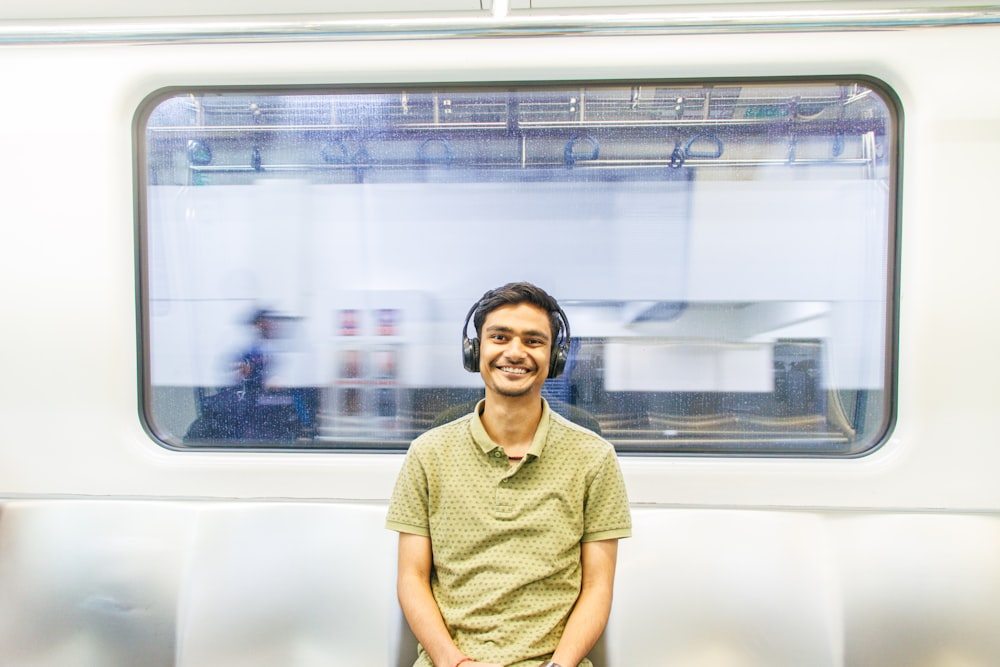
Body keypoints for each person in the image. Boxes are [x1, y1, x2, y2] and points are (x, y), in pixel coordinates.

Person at [386, 282, 631, 667]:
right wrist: (455, 662)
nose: (515, 352)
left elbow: (597, 587)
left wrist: (559, 665)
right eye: (500, 337)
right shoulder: (428, 454)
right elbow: (412, 579)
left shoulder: (593, 458)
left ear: (555, 358)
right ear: (475, 350)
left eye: (534, 341)